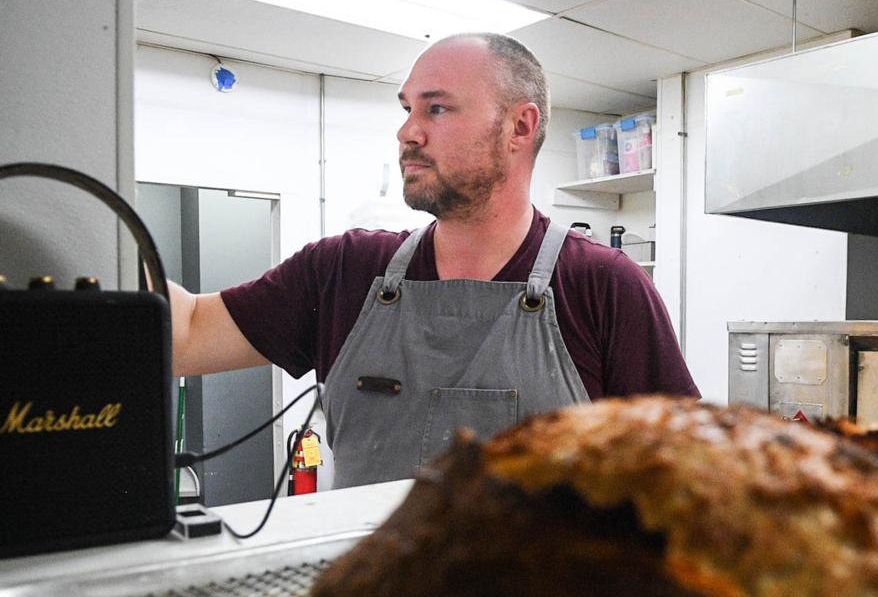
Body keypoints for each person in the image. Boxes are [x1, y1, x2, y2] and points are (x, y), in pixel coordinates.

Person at [168, 32, 698, 488]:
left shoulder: (602, 285)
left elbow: (686, 477)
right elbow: (187, 334)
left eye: (436, 109)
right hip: (375, 578)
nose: (407, 133)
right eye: (408, 110)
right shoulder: (343, 271)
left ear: (519, 127)